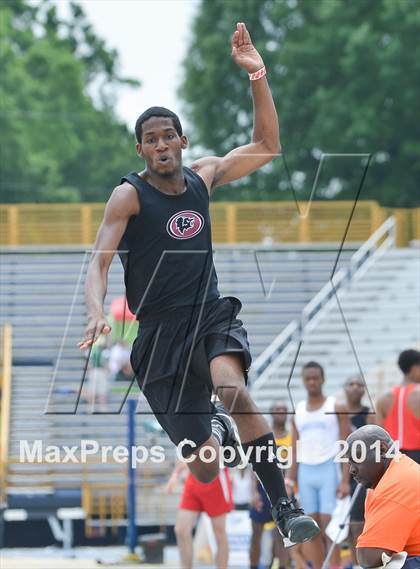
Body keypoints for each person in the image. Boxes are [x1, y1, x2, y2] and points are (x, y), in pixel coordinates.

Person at [78, 22, 319, 547]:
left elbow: (267, 145)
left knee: (233, 387)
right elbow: (97, 262)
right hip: (158, 336)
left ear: (182, 142)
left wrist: (257, 72)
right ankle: (211, 428)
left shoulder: (203, 178)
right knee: (207, 468)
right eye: (151, 140)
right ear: (140, 149)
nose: (161, 145)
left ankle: (283, 503)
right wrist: (97, 312)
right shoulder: (129, 197)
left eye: (169, 136)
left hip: (208, 314)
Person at [287, 361, 351, 569]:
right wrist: (290, 479)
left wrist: (344, 480)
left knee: (329, 527)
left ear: (323, 379)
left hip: (329, 470)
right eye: (308, 378)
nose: (312, 382)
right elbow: (295, 448)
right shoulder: (298, 411)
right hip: (306, 471)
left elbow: (345, 444)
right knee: (310, 528)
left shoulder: (336, 406)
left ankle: (334, 567)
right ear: (303, 381)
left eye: (316, 378)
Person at [346, 425, 420, 568]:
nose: (352, 470)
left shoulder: (396, 483)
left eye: (357, 458)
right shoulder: (396, 471)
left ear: (382, 450)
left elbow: (369, 558)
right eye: (349, 463)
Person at [166, 461, 232, 569]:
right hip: (194, 479)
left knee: (219, 533)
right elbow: (185, 452)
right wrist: (176, 474)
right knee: (181, 529)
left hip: (216, 479)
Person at [249, 401, 291, 569]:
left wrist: (292, 488)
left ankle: (282, 566)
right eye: (276, 409)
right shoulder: (263, 434)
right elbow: (255, 464)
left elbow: (294, 464)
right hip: (262, 488)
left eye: (283, 409)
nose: (280, 412)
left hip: (283, 489)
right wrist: (253, 492)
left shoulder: (292, 435)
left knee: (282, 537)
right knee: (256, 534)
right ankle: (253, 565)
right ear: (271, 413)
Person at [373, 349, 420, 464]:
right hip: (416, 456)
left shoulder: (383, 399)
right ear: (414, 369)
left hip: (392, 457)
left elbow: (378, 435)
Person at [344, 375, 370, 563]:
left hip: (361, 477)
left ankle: (361, 564)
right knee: (337, 529)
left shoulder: (369, 414)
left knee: (359, 525)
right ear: (345, 389)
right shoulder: (336, 414)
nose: (355, 388)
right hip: (338, 475)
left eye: (359, 385)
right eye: (351, 384)